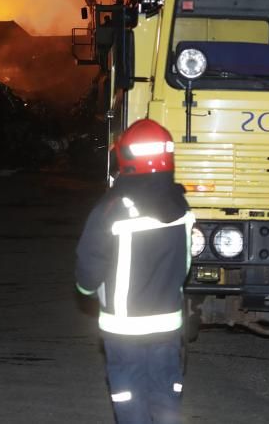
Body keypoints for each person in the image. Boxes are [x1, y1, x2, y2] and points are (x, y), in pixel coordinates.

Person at [75, 119, 195, 424]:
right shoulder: (181, 206)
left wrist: (87, 289)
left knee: (129, 393)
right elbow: (186, 264)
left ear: (125, 156)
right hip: (167, 324)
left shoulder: (111, 207)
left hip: (124, 326)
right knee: (165, 391)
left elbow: (89, 264)